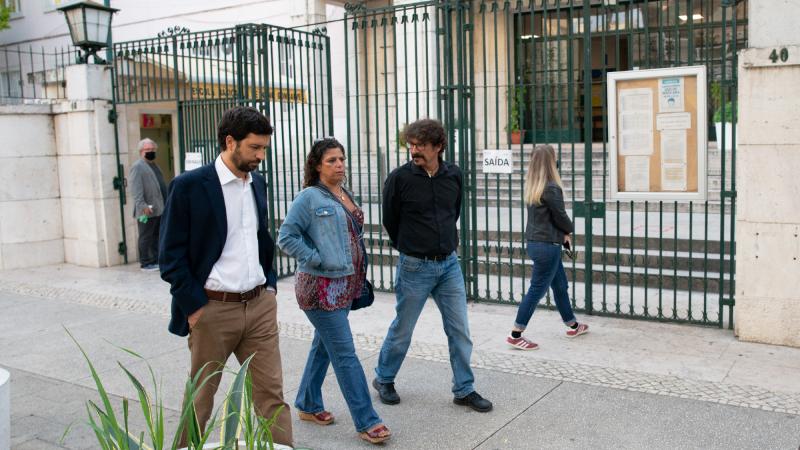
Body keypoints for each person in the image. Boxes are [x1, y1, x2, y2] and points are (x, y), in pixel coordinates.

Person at [158, 106, 293, 446]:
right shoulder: (189, 186)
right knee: (201, 399)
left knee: (271, 396)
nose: (261, 156)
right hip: (213, 309)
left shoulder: (257, 183)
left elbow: (260, 238)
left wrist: (270, 286)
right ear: (230, 142)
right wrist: (195, 308)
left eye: (264, 148)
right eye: (255, 148)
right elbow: (169, 256)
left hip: (259, 306)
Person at [373, 119, 493, 413]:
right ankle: (384, 378)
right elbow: (391, 220)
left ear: (438, 146)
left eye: (421, 145)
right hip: (415, 266)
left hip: (449, 265)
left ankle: (464, 389)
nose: (414, 150)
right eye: (411, 144)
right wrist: (412, 246)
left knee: (460, 330)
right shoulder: (399, 179)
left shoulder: (454, 175)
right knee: (403, 328)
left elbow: (454, 212)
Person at [277, 138, 391, 445]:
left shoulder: (344, 193)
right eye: (331, 160)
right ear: (316, 165)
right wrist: (316, 258)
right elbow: (286, 237)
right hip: (320, 291)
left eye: (341, 159)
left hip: (345, 287)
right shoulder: (308, 198)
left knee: (323, 346)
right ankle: (368, 420)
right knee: (344, 353)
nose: (339, 164)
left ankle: (308, 402)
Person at [506, 144, 589, 351]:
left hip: (537, 243)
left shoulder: (534, 185)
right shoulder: (551, 187)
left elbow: (546, 218)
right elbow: (560, 216)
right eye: (555, 158)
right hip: (547, 246)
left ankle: (573, 325)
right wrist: (568, 230)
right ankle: (516, 334)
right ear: (551, 162)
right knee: (536, 290)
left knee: (560, 286)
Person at [129, 138, 168, 272]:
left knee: (156, 235)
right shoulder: (138, 167)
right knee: (146, 236)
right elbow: (136, 189)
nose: (150, 152)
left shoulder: (154, 165)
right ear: (141, 151)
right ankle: (145, 262)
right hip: (146, 210)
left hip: (158, 209)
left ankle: (156, 259)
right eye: (147, 150)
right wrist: (142, 206)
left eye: (152, 150)